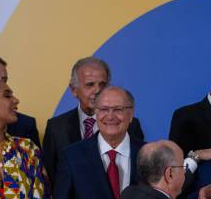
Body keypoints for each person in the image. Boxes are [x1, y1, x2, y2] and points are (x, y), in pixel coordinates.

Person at [42, 57, 144, 187]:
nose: (97, 91)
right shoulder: (56, 128)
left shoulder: (130, 124)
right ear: (74, 89)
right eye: (90, 85)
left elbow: (139, 176)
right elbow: (52, 178)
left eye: (103, 84)